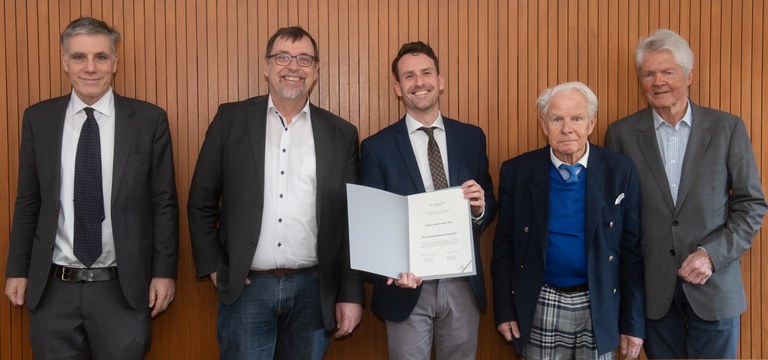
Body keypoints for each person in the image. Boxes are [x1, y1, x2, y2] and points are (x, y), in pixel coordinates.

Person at [4, 17, 179, 359]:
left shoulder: (148, 120)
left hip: (123, 289)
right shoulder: (38, 120)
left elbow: (163, 203)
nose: (90, 67)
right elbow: (29, 201)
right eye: (79, 57)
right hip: (53, 289)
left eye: (100, 57)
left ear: (115, 61)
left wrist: (164, 272)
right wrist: (17, 269)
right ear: (64, 62)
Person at [187, 26, 364, 360]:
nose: (293, 67)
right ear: (266, 67)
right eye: (282, 57)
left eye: (304, 59)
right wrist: (214, 266)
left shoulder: (341, 134)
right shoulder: (231, 120)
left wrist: (350, 294)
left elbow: (351, 222)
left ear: (316, 70)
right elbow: (201, 200)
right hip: (246, 290)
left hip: (314, 290)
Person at [604, 29, 767, 359]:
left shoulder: (727, 128)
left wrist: (711, 254)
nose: (658, 81)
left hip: (715, 288)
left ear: (689, 75)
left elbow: (751, 205)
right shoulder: (621, 134)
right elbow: (615, 221)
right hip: (654, 293)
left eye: (668, 71)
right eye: (649, 73)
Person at [359, 41, 497, 360]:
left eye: (426, 73)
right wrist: (394, 266)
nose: (419, 82)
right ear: (398, 87)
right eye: (409, 76)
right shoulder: (376, 148)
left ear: (441, 80)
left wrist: (479, 209)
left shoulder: (471, 137)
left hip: (461, 281)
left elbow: (488, 198)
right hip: (408, 286)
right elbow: (373, 222)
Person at [492, 82, 645, 359]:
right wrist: (504, 309)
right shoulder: (518, 172)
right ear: (543, 123)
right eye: (557, 119)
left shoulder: (619, 170)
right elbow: (504, 246)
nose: (567, 128)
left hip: (599, 302)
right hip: (541, 301)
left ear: (591, 123)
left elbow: (631, 251)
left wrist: (632, 322)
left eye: (576, 118)